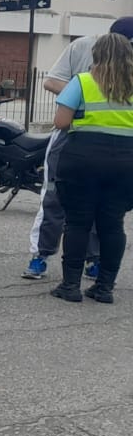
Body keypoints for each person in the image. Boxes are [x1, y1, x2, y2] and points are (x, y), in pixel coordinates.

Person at [22, 16, 133, 278]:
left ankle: (87, 266)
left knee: (90, 213)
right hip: (84, 144)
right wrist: (86, 94)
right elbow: (52, 81)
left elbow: (61, 119)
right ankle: (42, 254)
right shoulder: (81, 56)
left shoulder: (86, 82)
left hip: (87, 148)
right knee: (60, 201)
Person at [50, 31, 133, 303]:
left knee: (77, 222)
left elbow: (61, 122)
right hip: (126, 163)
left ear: (96, 55)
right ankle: (105, 287)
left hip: (82, 159)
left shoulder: (82, 82)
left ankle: (70, 286)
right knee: (113, 224)